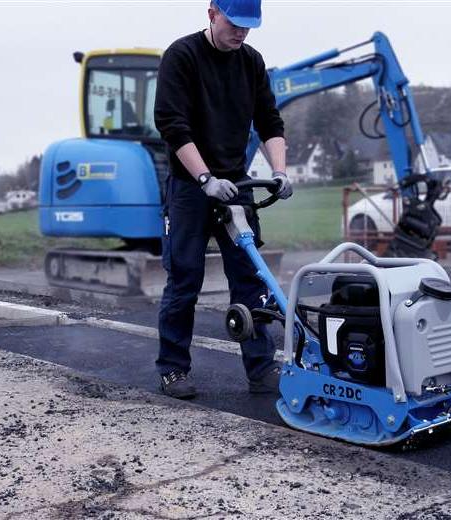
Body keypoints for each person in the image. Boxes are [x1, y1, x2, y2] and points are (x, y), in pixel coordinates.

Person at [154, 0, 292, 399]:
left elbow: (269, 121)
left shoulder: (251, 62)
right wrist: (204, 178)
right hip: (190, 189)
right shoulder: (182, 56)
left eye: (249, 26)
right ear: (213, 12)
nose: (242, 32)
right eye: (235, 23)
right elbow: (171, 124)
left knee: (250, 279)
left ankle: (261, 368)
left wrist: (280, 171)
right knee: (184, 280)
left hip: (237, 187)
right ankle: (173, 370)